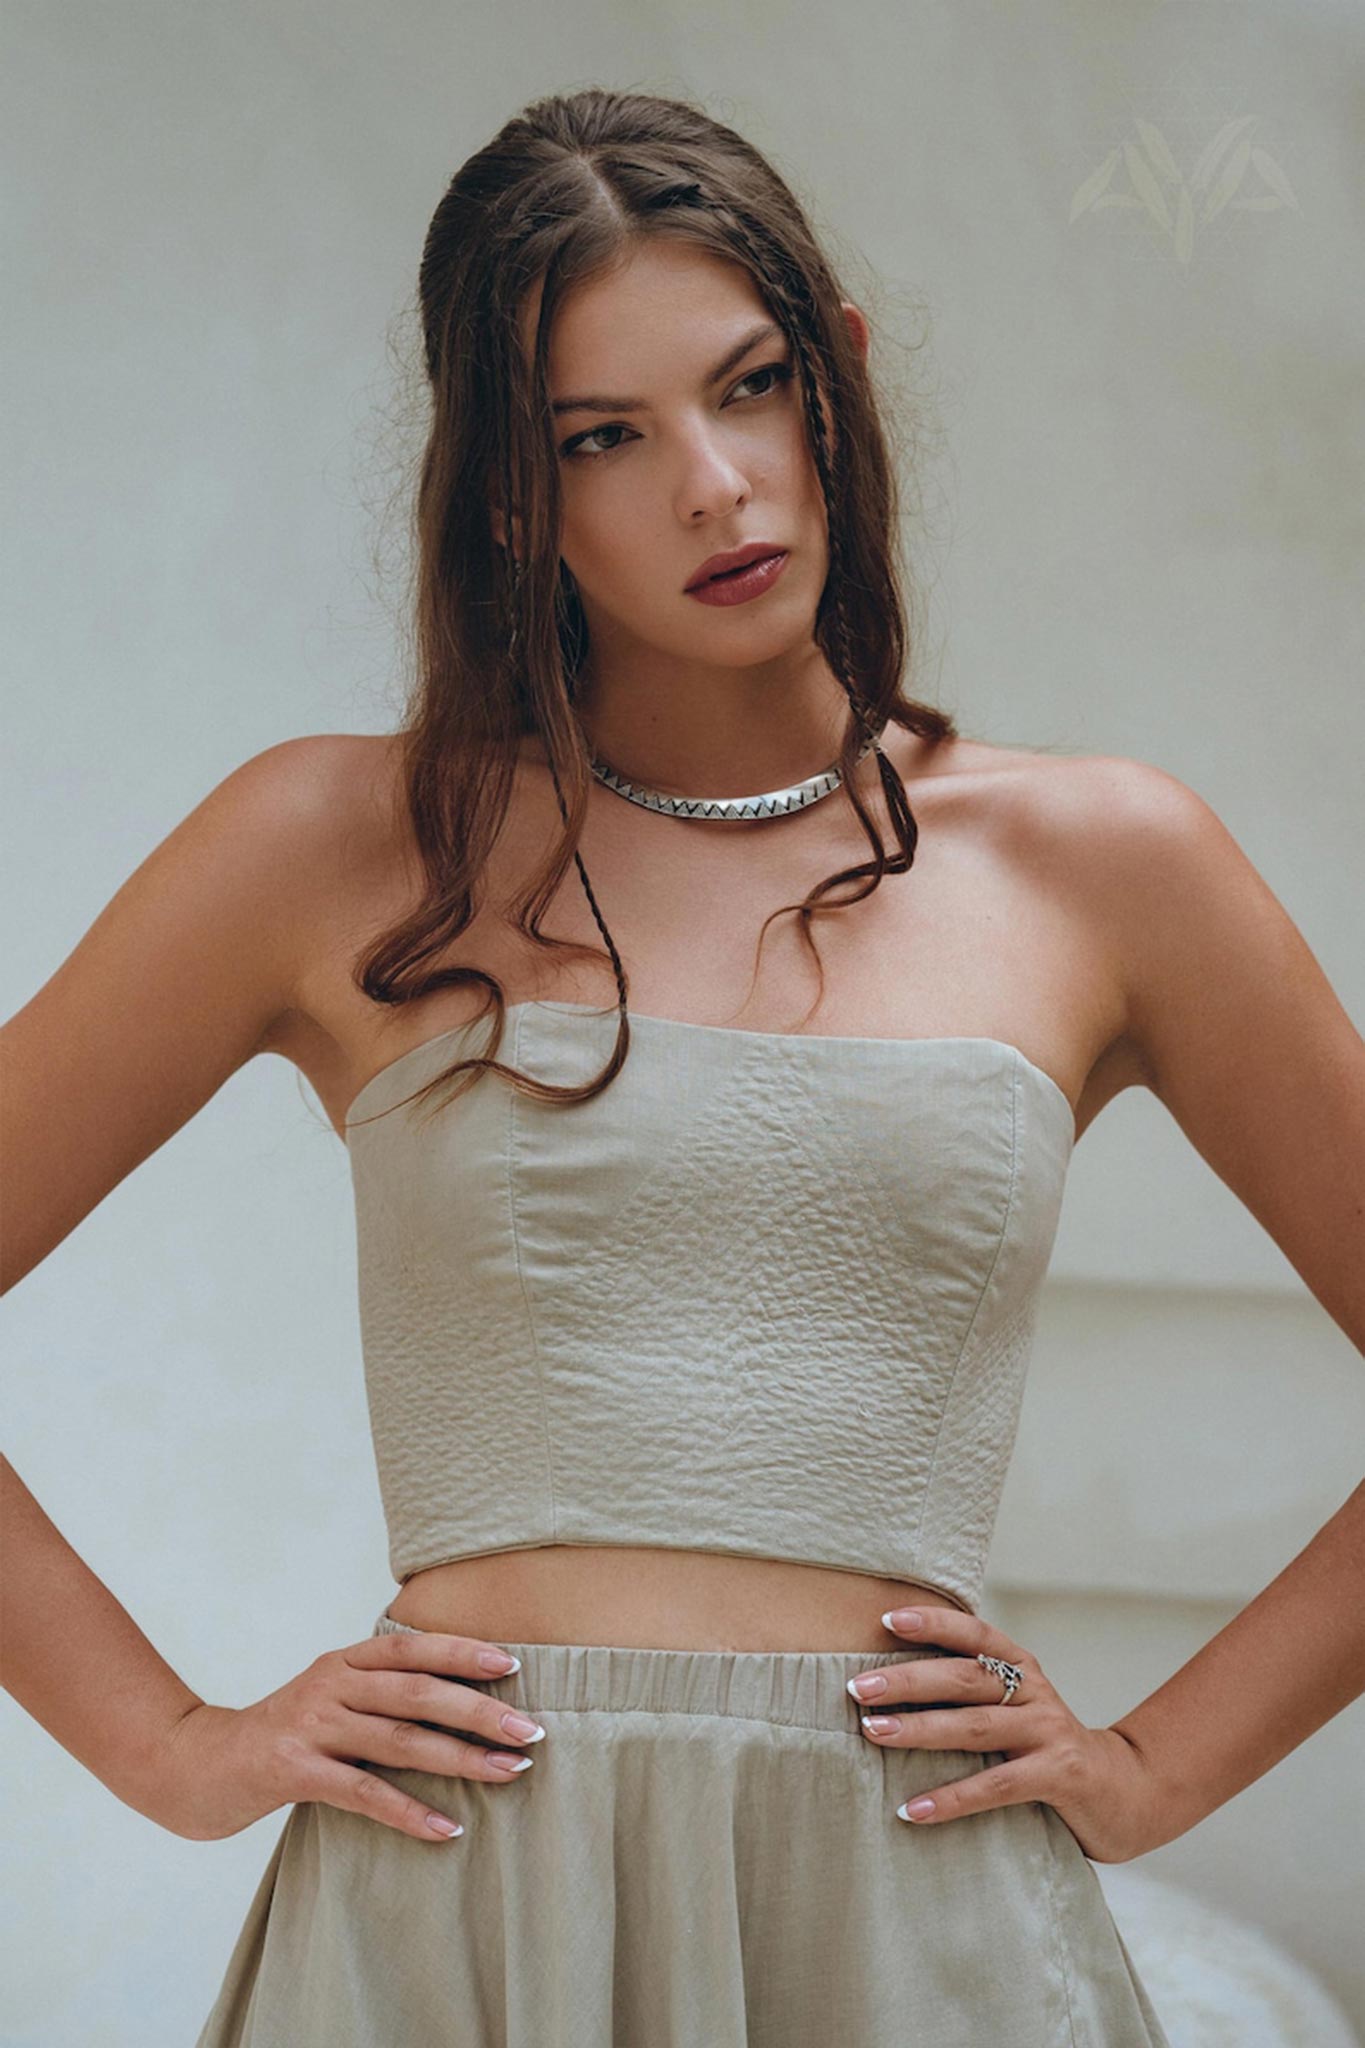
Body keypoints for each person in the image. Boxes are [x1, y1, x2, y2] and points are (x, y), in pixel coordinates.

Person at [2, 84, 1361, 2048]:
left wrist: (1154, 1764)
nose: (714, 488)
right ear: (505, 498)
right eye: (603, 440)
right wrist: (169, 1744)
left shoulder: (1104, 862)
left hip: (910, 1922)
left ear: (840, 380)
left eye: (745, 387)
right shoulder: (333, 844)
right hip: (454, 1921)